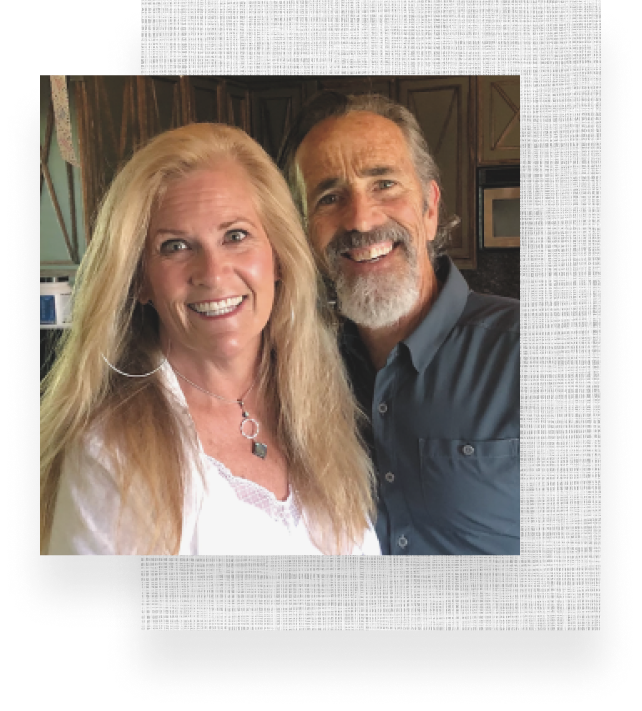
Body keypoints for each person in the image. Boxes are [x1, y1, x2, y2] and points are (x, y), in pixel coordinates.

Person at [40, 122, 380, 556]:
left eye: (235, 236)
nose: (213, 274)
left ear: (278, 256)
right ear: (140, 281)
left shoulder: (315, 397)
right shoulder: (108, 456)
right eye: (175, 246)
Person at [278, 92, 520, 555]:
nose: (360, 219)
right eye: (329, 197)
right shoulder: (299, 370)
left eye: (385, 184)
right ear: (305, 231)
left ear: (429, 209)